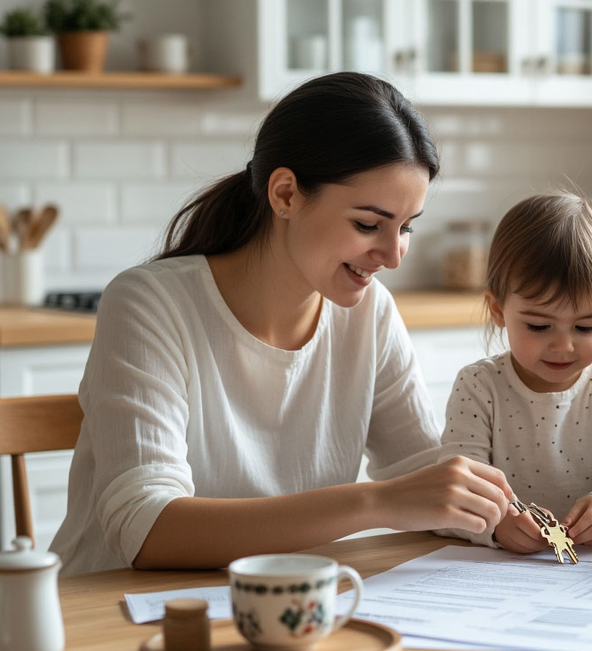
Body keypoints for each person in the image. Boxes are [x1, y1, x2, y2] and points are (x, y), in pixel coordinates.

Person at [50, 73, 514, 574]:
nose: (393, 256)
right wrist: (376, 502)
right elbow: (145, 529)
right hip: (111, 605)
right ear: (286, 194)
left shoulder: (370, 313)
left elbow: (423, 477)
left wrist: (500, 519)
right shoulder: (150, 303)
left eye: (406, 227)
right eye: (368, 224)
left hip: (279, 602)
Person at [431, 193, 592, 552]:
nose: (563, 346)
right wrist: (497, 524)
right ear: (498, 310)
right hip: (502, 569)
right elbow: (456, 491)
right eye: (539, 326)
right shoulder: (478, 386)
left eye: (585, 327)